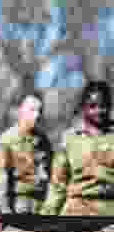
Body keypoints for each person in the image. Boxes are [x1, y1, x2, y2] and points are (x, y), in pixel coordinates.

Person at [41, 81, 114, 216]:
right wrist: (47, 217)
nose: (98, 111)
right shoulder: (70, 140)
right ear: (83, 107)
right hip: (77, 212)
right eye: (92, 106)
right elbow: (58, 184)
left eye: (103, 106)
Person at [0, 93, 53, 214]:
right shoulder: (7, 141)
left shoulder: (43, 141)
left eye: (39, 111)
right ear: (21, 111)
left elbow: (50, 177)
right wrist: (5, 214)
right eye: (32, 110)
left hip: (42, 207)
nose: (36, 115)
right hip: (19, 207)